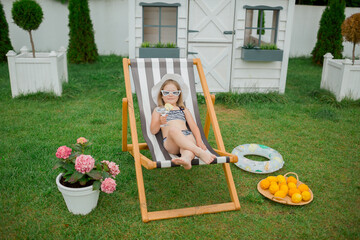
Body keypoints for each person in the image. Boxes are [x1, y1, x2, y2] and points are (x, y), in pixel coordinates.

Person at [150, 73, 216, 170]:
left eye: (174, 92)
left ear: (179, 95)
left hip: (187, 137)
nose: (171, 95)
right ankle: (199, 152)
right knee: (173, 130)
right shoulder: (159, 110)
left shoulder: (183, 109)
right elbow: (153, 131)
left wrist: (198, 141)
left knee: (187, 148)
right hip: (170, 140)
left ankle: (186, 159)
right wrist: (160, 122)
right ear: (162, 96)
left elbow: (193, 126)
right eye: (166, 92)